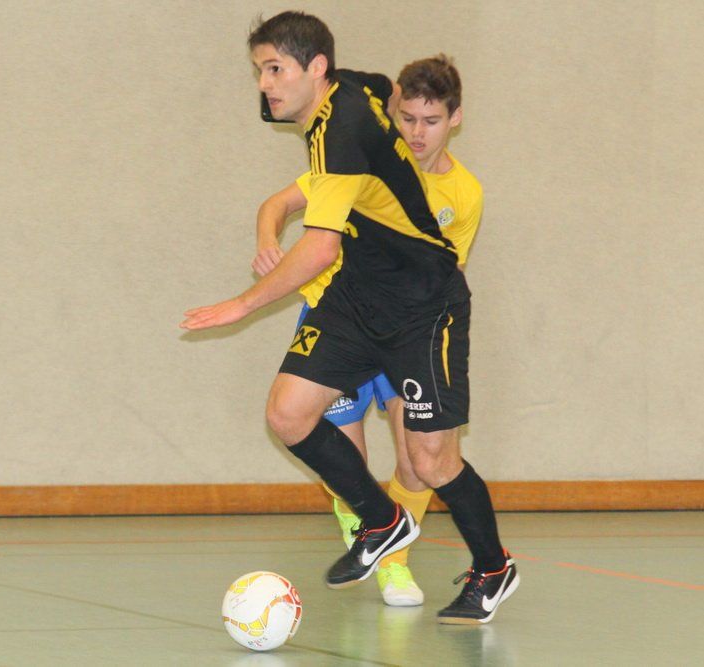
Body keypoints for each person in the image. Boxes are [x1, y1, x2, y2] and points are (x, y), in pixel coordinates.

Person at [181, 11, 518, 624]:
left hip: (423, 306)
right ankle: (382, 520)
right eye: (259, 71)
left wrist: (242, 304)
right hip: (356, 297)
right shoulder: (347, 92)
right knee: (288, 414)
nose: (265, 84)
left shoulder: (340, 133)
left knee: (430, 461)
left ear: (315, 69)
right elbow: (381, 84)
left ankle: (493, 568)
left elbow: (318, 249)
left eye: (275, 69)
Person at [252, 54, 484, 609]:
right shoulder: (363, 153)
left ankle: (393, 559)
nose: (417, 132)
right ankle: (373, 535)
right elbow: (278, 203)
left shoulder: (464, 194)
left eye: (431, 121)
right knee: (340, 458)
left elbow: (441, 272)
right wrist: (268, 241)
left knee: (418, 460)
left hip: (405, 324)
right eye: (407, 118)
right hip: (340, 316)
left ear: (454, 119)